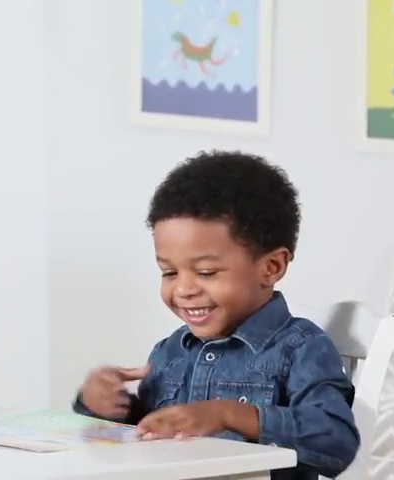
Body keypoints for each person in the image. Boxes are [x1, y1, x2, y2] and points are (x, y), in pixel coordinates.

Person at [72, 151, 360, 479]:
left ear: (271, 267)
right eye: (169, 272)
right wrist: (105, 406)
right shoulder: (171, 351)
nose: (184, 289)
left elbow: (336, 442)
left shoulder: (301, 348)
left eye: (206, 272)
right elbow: (147, 435)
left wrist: (230, 414)